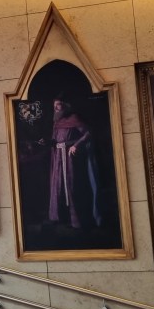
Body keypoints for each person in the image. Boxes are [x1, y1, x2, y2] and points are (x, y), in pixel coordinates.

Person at [46, 95, 99, 229]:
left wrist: (76, 145)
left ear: (65, 105)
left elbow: (87, 133)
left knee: (71, 184)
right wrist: (46, 142)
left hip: (70, 156)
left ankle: (75, 220)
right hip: (58, 157)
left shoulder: (73, 118)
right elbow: (54, 140)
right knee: (57, 184)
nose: (56, 108)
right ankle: (58, 217)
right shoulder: (56, 122)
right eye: (54, 106)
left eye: (58, 105)